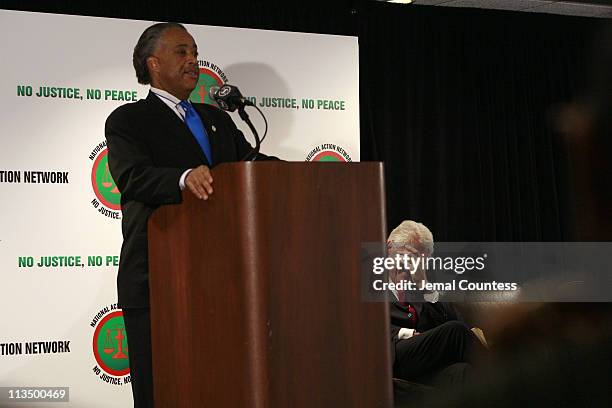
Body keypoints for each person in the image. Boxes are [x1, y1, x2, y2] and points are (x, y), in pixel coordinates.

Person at [105, 22, 276, 408]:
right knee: (162, 392)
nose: (193, 60)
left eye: (195, 52)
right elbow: (133, 177)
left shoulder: (215, 117)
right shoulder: (128, 120)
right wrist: (183, 178)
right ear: (153, 64)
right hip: (157, 281)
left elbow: (252, 163)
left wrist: (303, 173)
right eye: (182, 52)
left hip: (220, 282)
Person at [386, 221, 482, 390]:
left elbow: (453, 323)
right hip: (391, 355)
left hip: (421, 364)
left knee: (462, 372)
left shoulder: (420, 290)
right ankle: (513, 381)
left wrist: (424, 286)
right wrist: (407, 333)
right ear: (390, 247)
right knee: (455, 331)